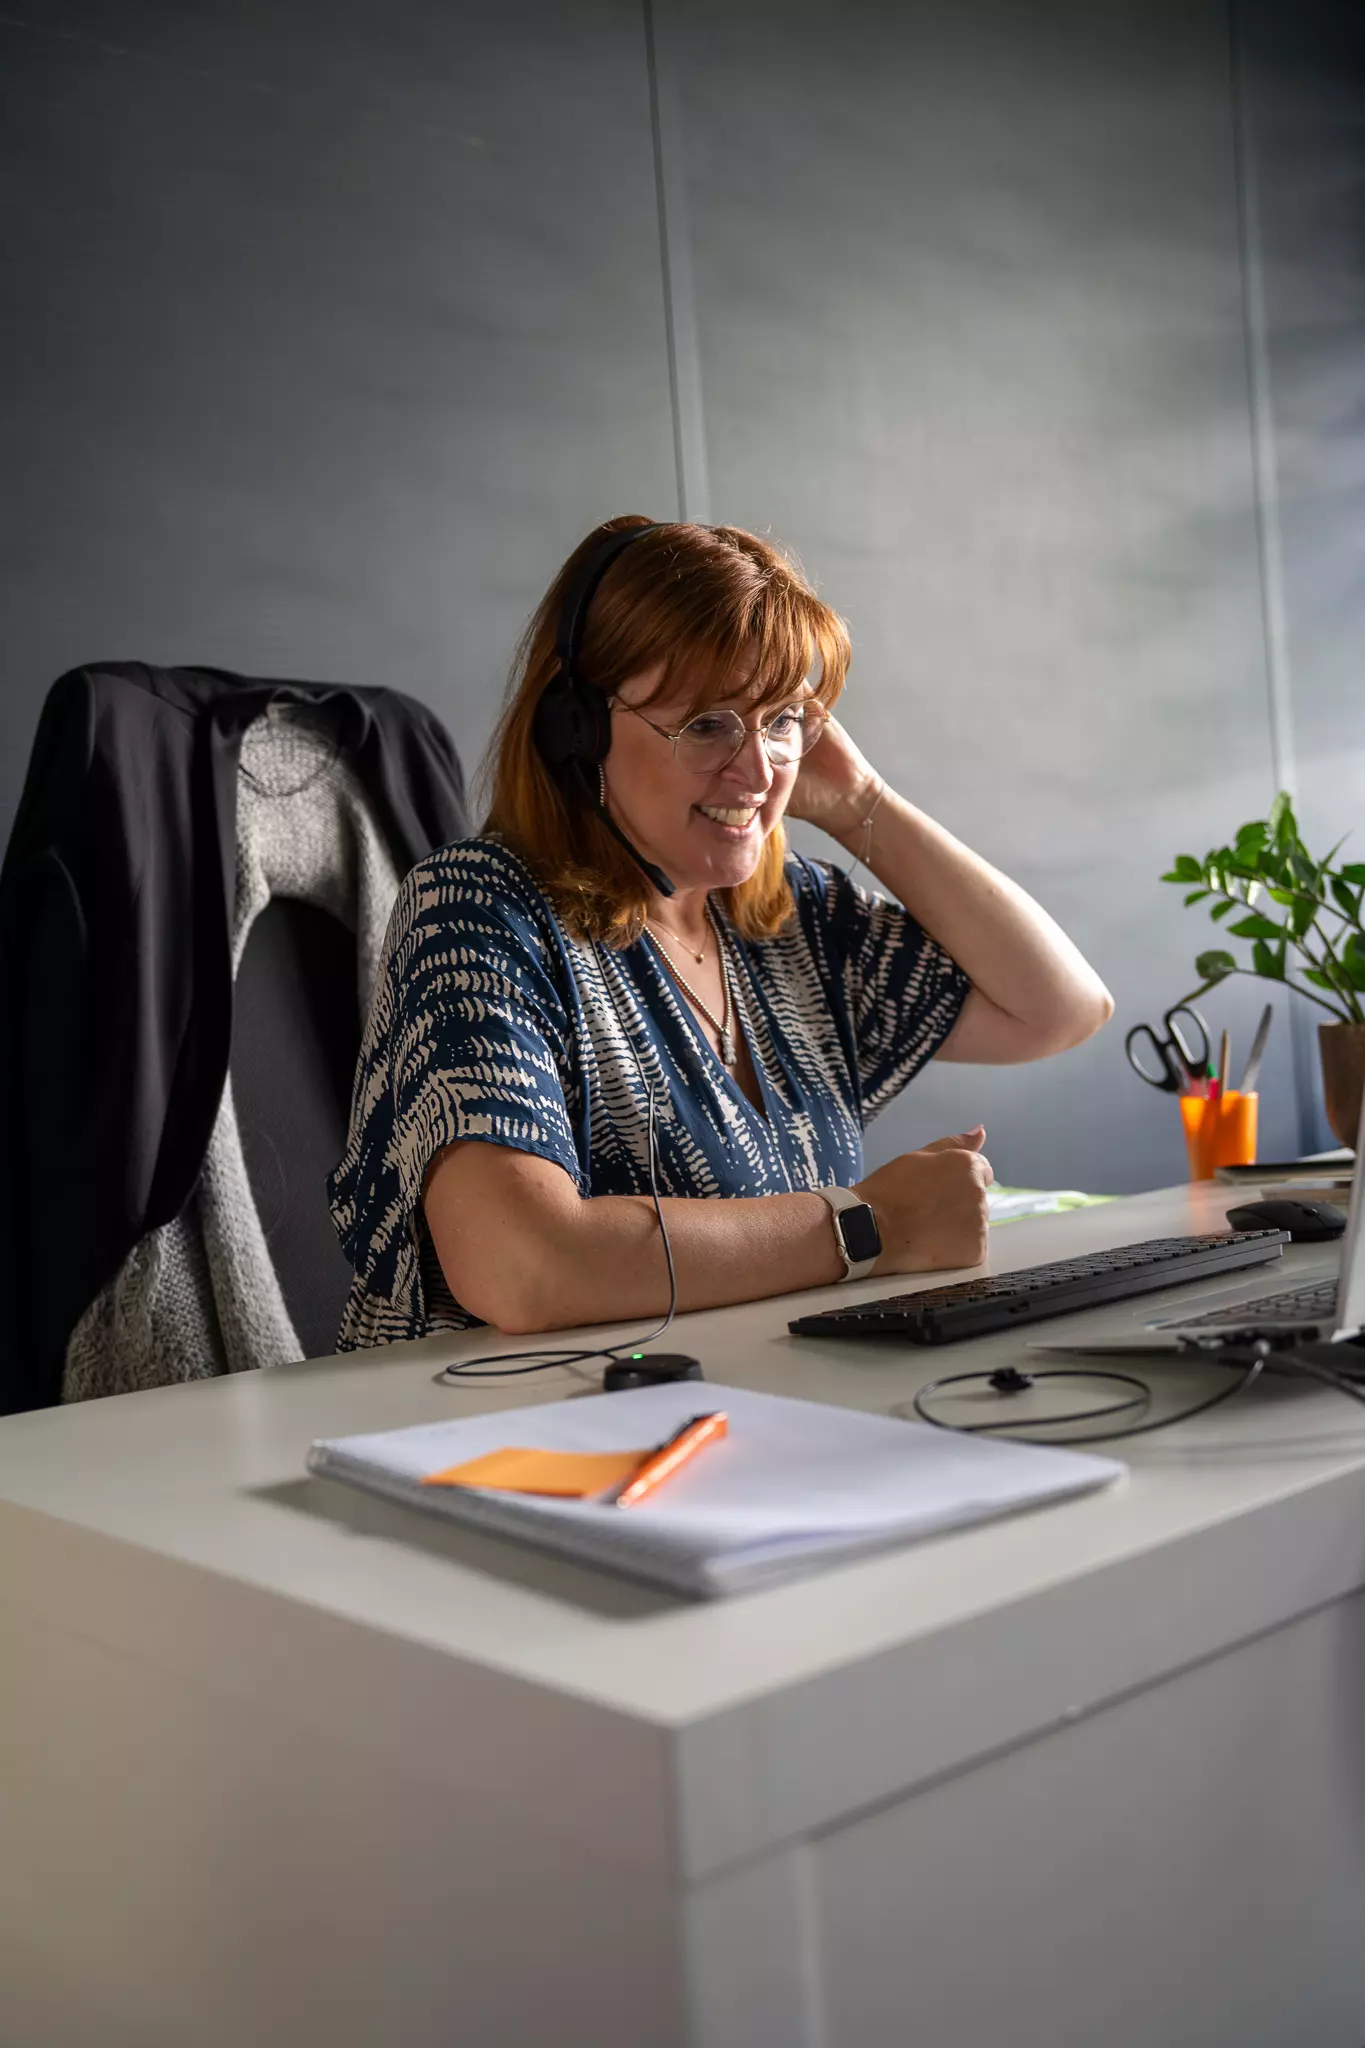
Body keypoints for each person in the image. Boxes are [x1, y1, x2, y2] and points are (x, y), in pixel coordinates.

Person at [328, 517, 1113, 1348]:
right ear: (576, 731)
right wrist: (868, 1225)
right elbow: (523, 1266)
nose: (760, 771)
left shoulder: (789, 922)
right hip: (515, 1421)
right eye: (707, 724)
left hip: (751, 1403)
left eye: (781, 721)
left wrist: (862, 804)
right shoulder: (479, 910)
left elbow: (1057, 1009)